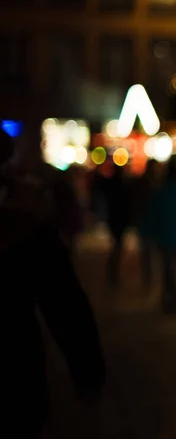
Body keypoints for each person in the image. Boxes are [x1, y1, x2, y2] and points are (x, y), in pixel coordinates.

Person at [1, 128, 105, 437]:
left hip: (15, 378)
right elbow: (66, 304)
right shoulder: (25, 222)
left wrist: (87, 370)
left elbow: (65, 303)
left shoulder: (24, 223)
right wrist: (88, 374)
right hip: (15, 374)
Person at [147, 157, 176, 315]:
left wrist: (150, 233)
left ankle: (172, 300)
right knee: (174, 270)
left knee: (168, 270)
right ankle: (173, 301)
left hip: (164, 236)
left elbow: (154, 214)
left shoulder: (161, 191)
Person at [132, 159, 162, 290]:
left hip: (148, 223)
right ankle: (149, 278)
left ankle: (149, 278)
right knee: (149, 252)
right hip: (148, 223)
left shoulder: (150, 183)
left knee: (148, 252)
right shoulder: (156, 184)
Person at [104, 164, 130, 286]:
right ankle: (113, 273)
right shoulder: (123, 186)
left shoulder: (111, 186)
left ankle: (113, 272)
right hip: (120, 220)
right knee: (118, 246)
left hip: (114, 219)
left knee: (116, 245)